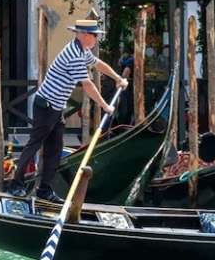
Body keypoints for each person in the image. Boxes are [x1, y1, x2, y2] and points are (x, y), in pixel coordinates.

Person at [7, 14, 128, 202]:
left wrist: (117, 78)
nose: (97, 39)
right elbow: (87, 85)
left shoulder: (82, 51)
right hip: (46, 106)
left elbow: (98, 64)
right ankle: (16, 184)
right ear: (83, 35)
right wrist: (105, 106)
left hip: (57, 108)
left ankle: (44, 189)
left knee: (55, 149)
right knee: (35, 144)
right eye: (94, 35)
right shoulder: (73, 54)